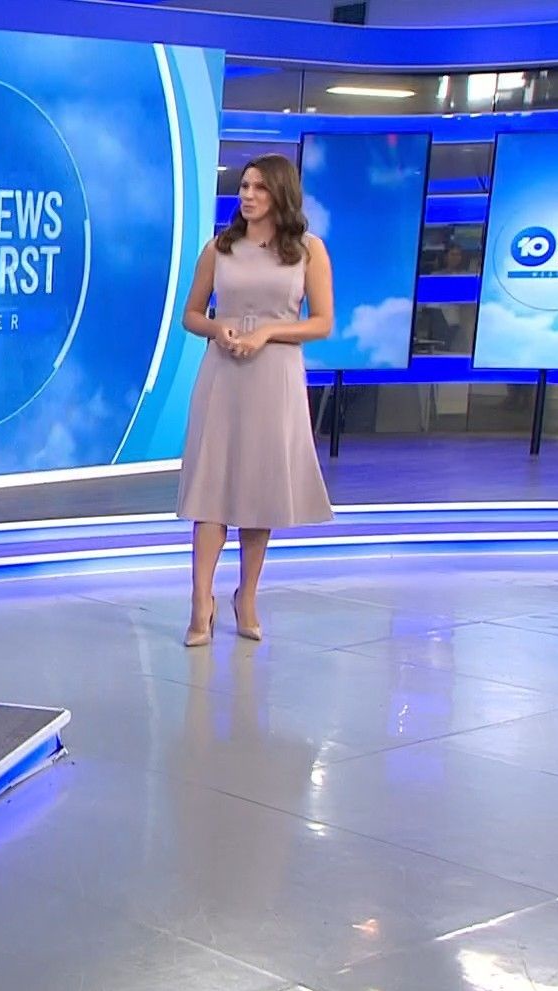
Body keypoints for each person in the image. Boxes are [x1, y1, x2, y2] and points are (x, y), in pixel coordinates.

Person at [176, 154, 334, 646]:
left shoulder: (308, 250)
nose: (247, 195)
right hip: (223, 375)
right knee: (212, 490)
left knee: (258, 492)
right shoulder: (219, 248)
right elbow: (191, 314)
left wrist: (268, 332)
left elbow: (322, 323)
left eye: (259, 187)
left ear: (280, 193)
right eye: (244, 186)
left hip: (275, 376)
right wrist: (217, 328)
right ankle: (201, 602)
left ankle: (246, 596)